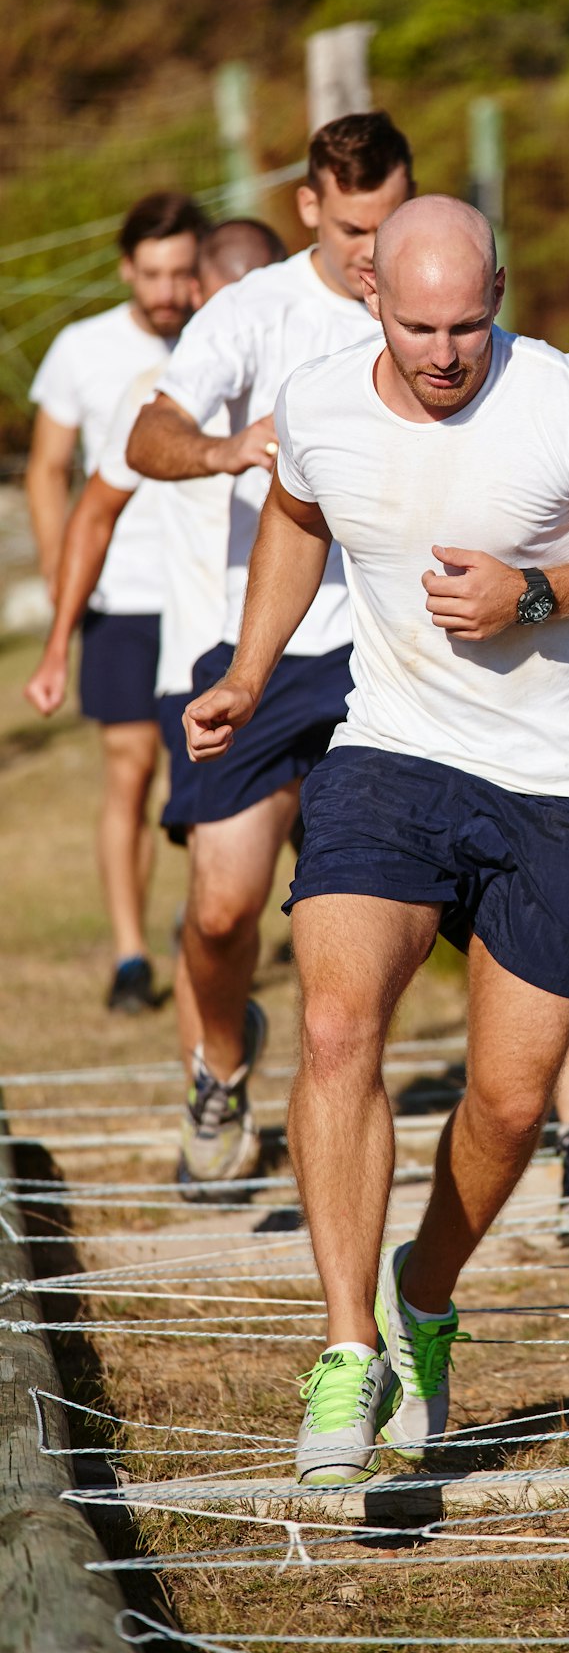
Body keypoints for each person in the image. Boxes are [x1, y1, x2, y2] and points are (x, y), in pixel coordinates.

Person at [181, 195, 569, 1485]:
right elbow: (300, 519)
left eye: (469, 322)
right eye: (418, 324)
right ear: (372, 298)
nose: (444, 351)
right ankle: (347, 1345)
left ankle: (427, 1290)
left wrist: (542, 588)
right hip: (390, 753)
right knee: (333, 1022)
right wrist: (253, 672)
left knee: (513, 1097)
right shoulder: (317, 403)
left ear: (502, 292)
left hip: (554, 785)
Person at [123, 114, 414, 1195]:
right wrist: (226, 447)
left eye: (389, 222)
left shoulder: (432, 299)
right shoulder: (251, 312)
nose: (373, 250)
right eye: (352, 228)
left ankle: (567, 1118)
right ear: (309, 208)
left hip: (386, 647)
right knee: (220, 907)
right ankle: (220, 1062)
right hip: (256, 645)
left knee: (434, 901)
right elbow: (143, 438)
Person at [25, 220, 288, 1074]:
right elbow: (83, 500)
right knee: (204, 891)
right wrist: (59, 640)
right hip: (186, 647)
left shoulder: (330, 368)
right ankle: (200, 1060)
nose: (174, 293)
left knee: (333, 894)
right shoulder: (151, 391)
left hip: (319, 663)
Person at [26, 191, 210, 1010]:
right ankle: (131, 955)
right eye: (154, 272)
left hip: (202, 594)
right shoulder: (82, 348)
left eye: (183, 271)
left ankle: (202, 922)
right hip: (120, 598)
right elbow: (46, 470)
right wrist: (62, 569)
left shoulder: (221, 338)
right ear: (126, 270)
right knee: (128, 769)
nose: (169, 289)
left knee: (204, 786)